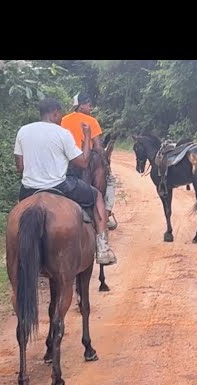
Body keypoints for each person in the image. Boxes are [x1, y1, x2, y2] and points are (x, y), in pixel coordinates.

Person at [13, 97, 115, 265]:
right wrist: (87, 136)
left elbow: (20, 166)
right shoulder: (61, 133)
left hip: (28, 189)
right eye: (59, 114)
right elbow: (82, 163)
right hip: (59, 186)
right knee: (97, 196)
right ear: (54, 113)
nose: (60, 118)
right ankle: (103, 249)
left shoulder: (23, 131)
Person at [61, 92, 117, 231]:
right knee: (110, 180)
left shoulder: (63, 120)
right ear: (81, 105)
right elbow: (97, 147)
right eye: (89, 104)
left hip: (67, 161)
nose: (90, 108)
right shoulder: (91, 121)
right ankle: (107, 213)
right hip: (86, 160)